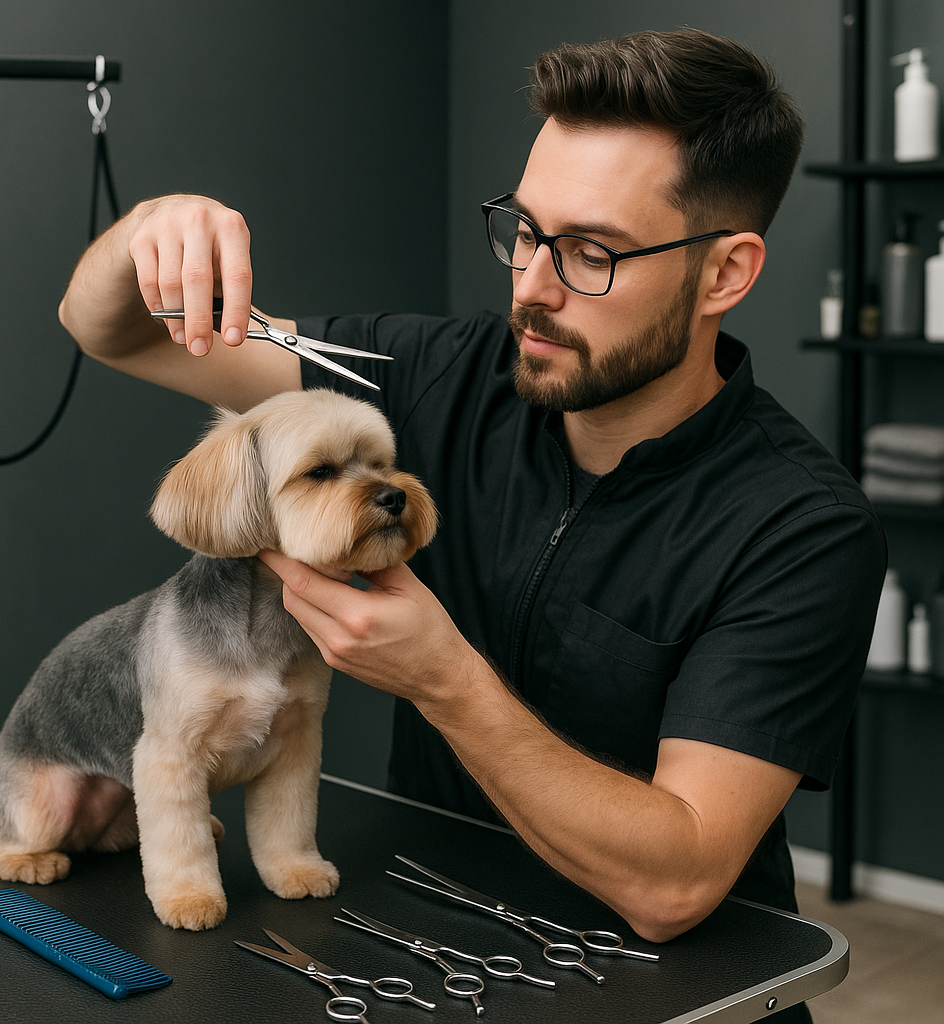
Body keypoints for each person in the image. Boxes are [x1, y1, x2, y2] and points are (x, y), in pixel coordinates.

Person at [59, 26, 884, 976]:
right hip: (430, 941)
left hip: (670, 987)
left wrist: (444, 677)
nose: (529, 290)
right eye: (526, 230)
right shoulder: (428, 374)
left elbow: (677, 884)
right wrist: (150, 231)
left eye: (591, 254)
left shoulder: (801, 531)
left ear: (726, 273)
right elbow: (111, 331)